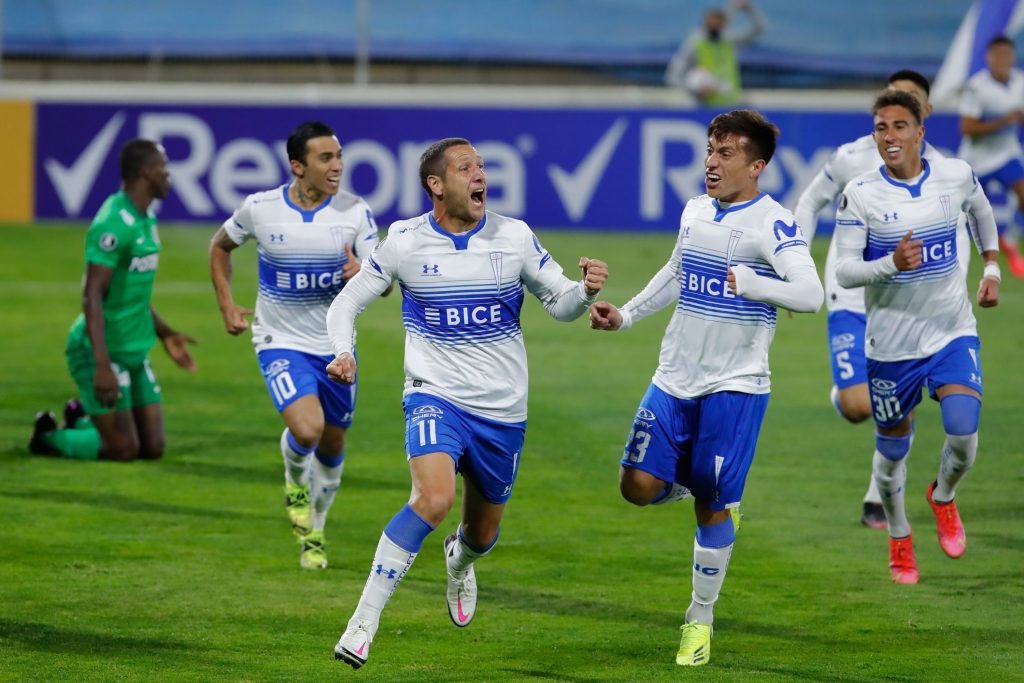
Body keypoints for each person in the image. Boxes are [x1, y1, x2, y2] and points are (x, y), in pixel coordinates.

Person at [325, 137, 608, 669]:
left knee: (482, 533)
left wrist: (586, 292)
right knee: (431, 499)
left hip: (503, 411)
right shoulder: (405, 241)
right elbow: (349, 301)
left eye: (481, 165)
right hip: (434, 395)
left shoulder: (514, 236)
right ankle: (363, 623)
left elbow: (561, 303)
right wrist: (344, 351)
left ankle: (459, 563)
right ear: (436, 184)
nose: (480, 174)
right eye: (465, 167)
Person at [589, 110, 823, 667]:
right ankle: (702, 490)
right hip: (673, 376)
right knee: (635, 486)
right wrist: (624, 316)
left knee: (713, 505)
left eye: (726, 153)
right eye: (710, 149)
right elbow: (676, 271)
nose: (712, 162)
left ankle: (699, 620)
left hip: (734, 385)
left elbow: (810, 293)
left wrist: (756, 282)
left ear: (757, 165)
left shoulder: (773, 223)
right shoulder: (696, 210)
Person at [793, 69, 975, 529]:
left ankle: (878, 494)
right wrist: (796, 261)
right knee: (859, 408)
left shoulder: (947, 175)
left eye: (908, 104)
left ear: (924, 114)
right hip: (852, 297)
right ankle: (846, 391)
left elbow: (962, 235)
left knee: (902, 401)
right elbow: (810, 201)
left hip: (915, 307)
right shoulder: (853, 158)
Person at [834, 89, 1000, 585]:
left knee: (964, 433)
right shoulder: (860, 193)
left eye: (899, 126)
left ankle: (943, 497)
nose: (889, 136)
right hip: (891, 348)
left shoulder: (954, 175)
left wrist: (991, 267)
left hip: (951, 332)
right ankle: (900, 535)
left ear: (920, 132)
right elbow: (843, 271)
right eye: (881, 127)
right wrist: (890, 264)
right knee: (891, 453)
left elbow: (982, 210)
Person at [209, 121, 380, 570]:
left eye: (340, 156)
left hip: (336, 345)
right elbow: (220, 247)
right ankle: (293, 479)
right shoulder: (261, 209)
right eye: (326, 158)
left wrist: (361, 272)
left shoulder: (355, 212)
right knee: (308, 430)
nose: (338, 165)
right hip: (278, 339)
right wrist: (227, 304)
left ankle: (314, 532)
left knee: (333, 443)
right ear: (297, 166)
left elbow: (383, 283)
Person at [29, 139, 196, 461]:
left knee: (153, 448)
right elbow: (92, 295)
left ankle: (82, 418)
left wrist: (165, 333)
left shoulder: (145, 218)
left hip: (133, 347)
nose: (169, 176)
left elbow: (134, 293)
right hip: (100, 350)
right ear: (147, 172)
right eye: (164, 168)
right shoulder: (113, 223)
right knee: (122, 449)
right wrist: (102, 366)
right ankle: (49, 435)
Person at [958, 34, 1024, 277]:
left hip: (1007, 153)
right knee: (962, 211)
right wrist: (1003, 121)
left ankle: (1010, 239)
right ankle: (952, 254)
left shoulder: (1020, 82)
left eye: (1007, 54)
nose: (1003, 59)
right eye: (998, 55)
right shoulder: (977, 87)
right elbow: (967, 128)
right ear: (989, 58)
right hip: (977, 158)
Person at [664, 0, 764, 107]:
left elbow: (758, 29)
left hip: (731, 105)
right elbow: (673, 76)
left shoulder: (730, 41)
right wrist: (694, 90)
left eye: (719, 22)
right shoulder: (695, 44)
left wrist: (749, 8)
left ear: (724, 23)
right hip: (705, 107)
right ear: (705, 22)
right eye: (712, 21)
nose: (715, 24)